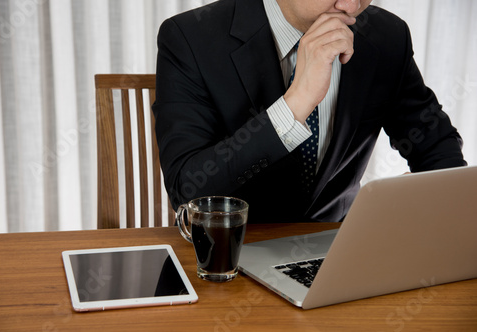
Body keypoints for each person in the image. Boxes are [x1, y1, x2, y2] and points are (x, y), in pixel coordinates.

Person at [152, 0, 466, 223]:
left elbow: (436, 148)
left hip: (339, 254)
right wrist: (297, 102)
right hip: (230, 258)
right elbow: (187, 189)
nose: (351, 6)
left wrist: (430, 211)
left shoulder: (388, 37)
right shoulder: (190, 38)